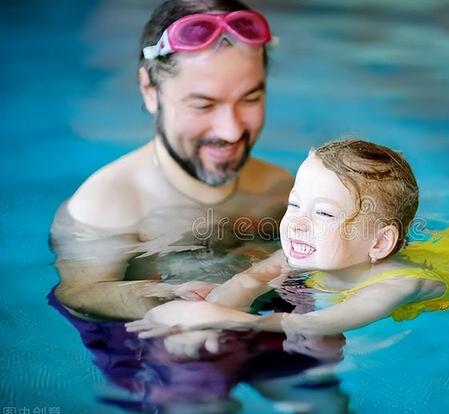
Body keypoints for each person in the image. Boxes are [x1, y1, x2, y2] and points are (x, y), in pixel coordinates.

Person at [126, 139, 449, 342]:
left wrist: (216, 317)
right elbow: (255, 275)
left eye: (323, 212)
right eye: (294, 204)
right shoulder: (316, 245)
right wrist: (209, 310)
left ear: (380, 243)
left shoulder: (396, 286)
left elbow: (324, 320)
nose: (297, 223)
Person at [51, 0, 293, 320]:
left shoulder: (281, 188)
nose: (231, 131)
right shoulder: (105, 207)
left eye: (251, 98)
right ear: (149, 89)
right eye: (203, 105)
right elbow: (80, 293)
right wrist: (164, 298)